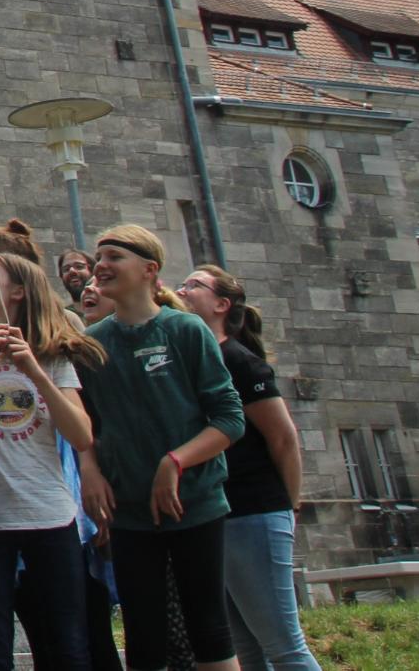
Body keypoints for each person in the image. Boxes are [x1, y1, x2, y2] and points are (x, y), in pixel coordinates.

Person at [77, 225, 246, 671]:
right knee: (143, 634)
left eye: (114, 256)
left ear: (150, 270)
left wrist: (175, 461)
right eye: (99, 257)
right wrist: (89, 471)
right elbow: (86, 426)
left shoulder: (185, 330)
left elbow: (229, 419)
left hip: (197, 503)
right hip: (130, 512)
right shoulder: (94, 345)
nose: (101, 266)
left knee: (209, 626)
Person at [0, 251, 101, 671]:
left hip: (49, 515)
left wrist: (33, 368)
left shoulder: (51, 355)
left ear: (19, 291)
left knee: (68, 642)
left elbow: (81, 435)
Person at [177, 265, 320, 671]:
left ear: (222, 304)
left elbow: (283, 439)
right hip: (215, 514)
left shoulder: (240, 362)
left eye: (194, 285)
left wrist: (289, 506)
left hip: (255, 510)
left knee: (284, 647)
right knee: (246, 647)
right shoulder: (197, 360)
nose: (182, 290)